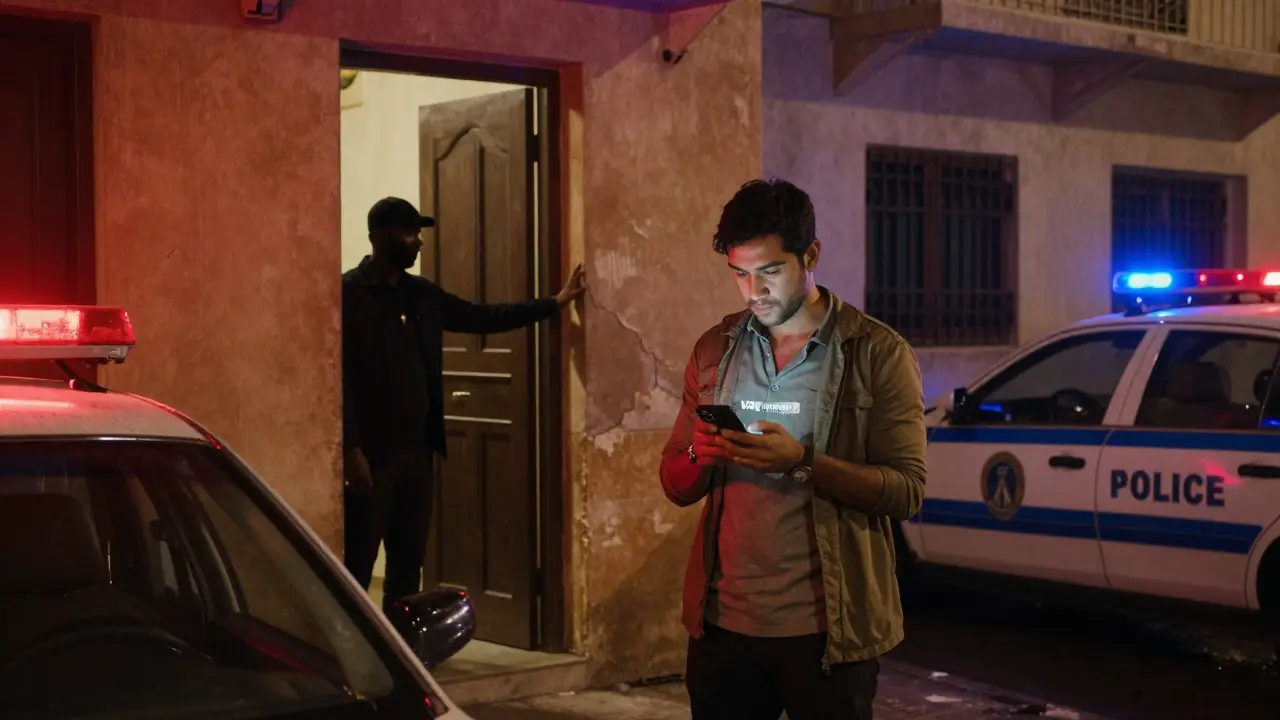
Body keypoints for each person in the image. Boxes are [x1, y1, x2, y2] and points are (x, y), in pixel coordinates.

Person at [659, 179, 927, 720]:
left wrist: (803, 463)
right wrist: (699, 455)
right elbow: (675, 482)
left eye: (770, 271)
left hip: (828, 636)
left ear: (811, 256)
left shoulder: (876, 352)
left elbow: (906, 491)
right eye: (739, 273)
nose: (753, 291)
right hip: (723, 631)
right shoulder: (715, 349)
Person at [343, 196, 586, 613]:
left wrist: (553, 303)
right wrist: (351, 450)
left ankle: (401, 648)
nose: (418, 241)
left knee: (407, 566)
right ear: (379, 237)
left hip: (417, 454)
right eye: (409, 233)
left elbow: (481, 317)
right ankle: (348, 649)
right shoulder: (349, 294)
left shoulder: (420, 294)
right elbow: (339, 378)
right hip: (372, 457)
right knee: (356, 568)